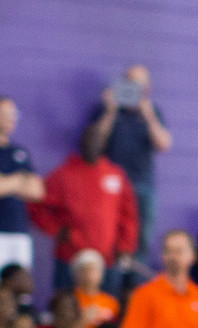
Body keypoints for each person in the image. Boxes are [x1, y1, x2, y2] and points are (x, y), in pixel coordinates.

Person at [28, 125, 138, 294]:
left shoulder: (115, 174)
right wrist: (55, 229)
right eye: (88, 139)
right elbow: (35, 203)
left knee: (106, 306)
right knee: (65, 304)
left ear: (104, 144)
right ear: (81, 143)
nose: (92, 143)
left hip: (106, 259)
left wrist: (125, 247)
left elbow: (128, 215)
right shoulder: (63, 174)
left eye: (98, 140)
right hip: (70, 256)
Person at [89, 64, 172, 263]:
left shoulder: (152, 112)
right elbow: (94, 146)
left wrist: (148, 115)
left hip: (141, 185)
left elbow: (163, 144)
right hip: (111, 186)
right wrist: (110, 111)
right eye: (128, 82)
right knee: (108, 238)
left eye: (137, 84)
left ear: (147, 89)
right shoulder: (107, 110)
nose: (131, 88)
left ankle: (135, 279)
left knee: (141, 241)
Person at [0, 96, 44, 272]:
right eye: (6, 113)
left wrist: (8, 181)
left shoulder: (18, 152)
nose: (12, 118)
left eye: (14, 113)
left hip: (18, 233)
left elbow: (37, 191)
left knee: (21, 285)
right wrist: (20, 180)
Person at [70, 249, 119, 328]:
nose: (89, 274)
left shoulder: (111, 302)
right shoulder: (69, 299)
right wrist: (83, 320)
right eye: (85, 270)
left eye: (94, 270)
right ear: (76, 274)